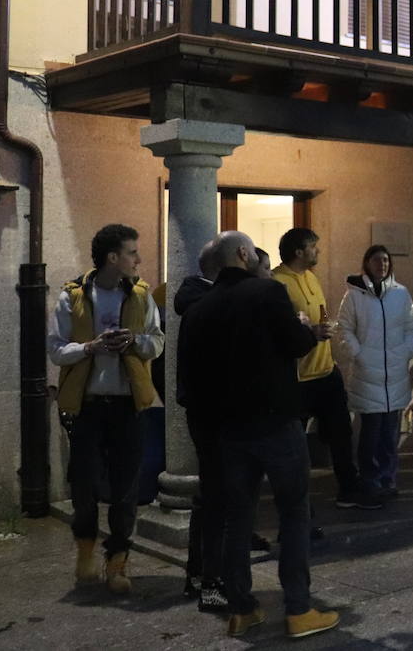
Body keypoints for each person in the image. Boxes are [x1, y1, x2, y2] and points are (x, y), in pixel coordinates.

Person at [181, 231, 340, 640]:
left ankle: (242, 610)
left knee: (238, 518)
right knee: (294, 512)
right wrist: (305, 330)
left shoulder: (199, 308)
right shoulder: (266, 293)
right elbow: (294, 343)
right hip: (276, 422)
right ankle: (299, 609)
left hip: (230, 430)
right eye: (253, 253)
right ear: (243, 255)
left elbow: (193, 379)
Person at [48, 223, 164, 595]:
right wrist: (90, 347)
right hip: (87, 405)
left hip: (128, 406)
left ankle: (117, 562)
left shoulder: (142, 296)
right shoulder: (73, 297)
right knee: (83, 483)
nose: (138, 259)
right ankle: (85, 550)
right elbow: (55, 349)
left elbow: (157, 343)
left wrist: (134, 341)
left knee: (125, 488)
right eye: (132, 252)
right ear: (113, 258)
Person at [272, 228, 372, 509]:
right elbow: (282, 328)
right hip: (298, 376)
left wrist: (326, 323)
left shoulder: (311, 277)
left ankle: (349, 489)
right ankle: (298, 503)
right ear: (299, 251)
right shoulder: (277, 283)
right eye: (313, 247)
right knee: (294, 444)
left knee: (341, 433)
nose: (318, 251)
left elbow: (321, 307)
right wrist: (308, 330)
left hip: (326, 369)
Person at [336, 244, 413, 500]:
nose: (381, 264)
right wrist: (359, 353)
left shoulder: (401, 294)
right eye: (376, 260)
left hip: (394, 375)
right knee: (370, 434)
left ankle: (388, 478)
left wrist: (405, 351)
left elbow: (410, 326)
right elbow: (344, 329)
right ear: (367, 263)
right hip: (367, 374)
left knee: (390, 434)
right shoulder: (354, 296)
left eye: (385, 260)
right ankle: (370, 479)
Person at [175, 237, 228, 612]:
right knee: (218, 497)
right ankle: (211, 580)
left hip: (213, 410)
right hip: (216, 411)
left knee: (213, 496)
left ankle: (201, 574)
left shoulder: (201, 300)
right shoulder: (209, 304)